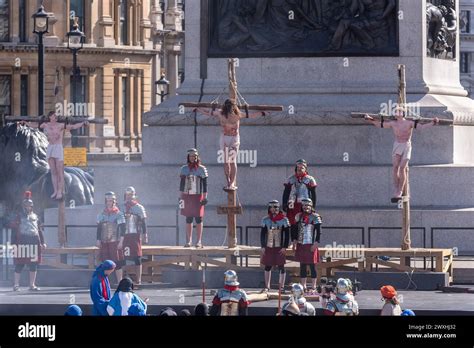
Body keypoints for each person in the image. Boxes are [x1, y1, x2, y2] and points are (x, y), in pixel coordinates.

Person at [364, 107, 439, 200]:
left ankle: (400, 190)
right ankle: (396, 190)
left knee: (403, 167)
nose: (396, 112)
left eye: (398, 111)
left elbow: (421, 127)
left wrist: (432, 123)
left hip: (406, 145)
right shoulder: (393, 123)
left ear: (403, 113)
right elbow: (380, 124)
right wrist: (370, 119)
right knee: (395, 167)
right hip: (397, 145)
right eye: (395, 111)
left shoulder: (409, 123)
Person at [195, 99, 268, 190]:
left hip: (233, 139)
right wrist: (198, 109)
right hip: (226, 138)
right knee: (227, 161)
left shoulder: (235, 114)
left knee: (231, 161)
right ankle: (229, 182)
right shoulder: (224, 113)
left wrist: (263, 113)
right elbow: (209, 113)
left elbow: (251, 115)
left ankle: (231, 183)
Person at [25, 111, 88, 200]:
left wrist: (82, 123)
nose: (56, 117)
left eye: (56, 116)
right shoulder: (45, 125)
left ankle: (60, 191)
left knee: (59, 172)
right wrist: (26, 123)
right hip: (50, 147)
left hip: (58, 148)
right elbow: (35, 126)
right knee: (53, 172)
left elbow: (73, 126)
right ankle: (55, 191)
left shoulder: (61, 125)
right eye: (54, 116)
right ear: (50, 117)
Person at [10, 191, 46, 292]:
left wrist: (43, 242)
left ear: (32, 206)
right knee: (19, 264)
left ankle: (32, 285)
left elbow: (39, 230)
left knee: (33, 264)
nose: (27, 207)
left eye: (29, 205)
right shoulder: (18, 217)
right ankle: (16, 285)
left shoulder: (36, 216)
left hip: (34, 241)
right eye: (26, 205)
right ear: (23, 206)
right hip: (22, 241)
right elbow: (14, 230)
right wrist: (13, 244)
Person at [290, 198, 322, 292]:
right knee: (302, 265)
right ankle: (303, 286)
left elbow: (319, 232)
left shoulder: (316, 217)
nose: (305, 207)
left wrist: (316, 243)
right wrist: (294, 242)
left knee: (312, 266)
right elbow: (294, 230)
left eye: (307, 205)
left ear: (311, 206)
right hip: (301, 244)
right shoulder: (298, 216)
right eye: (304, 205)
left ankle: (313, 286)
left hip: (311, 244)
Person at [179, 149, 209, 248]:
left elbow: (205, 185)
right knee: (188, 218)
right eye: (191, 156)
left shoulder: (201, 169)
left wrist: (205, 197)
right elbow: (182, 184)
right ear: (188, 157)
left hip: (198, 196)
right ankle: (189, 240)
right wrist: (180, 197)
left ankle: (199, 241)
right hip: (187, 196)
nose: (192, 158)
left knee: (199, 218)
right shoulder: (184, 169)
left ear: (197, 157)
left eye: (194, 156)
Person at [260, 200, 290, 293]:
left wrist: (285, 247)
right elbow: (263, 234)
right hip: (268, 246)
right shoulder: (265, 220)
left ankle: (281, 287)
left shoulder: (284, 220)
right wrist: (263, 246)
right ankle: (267, 286)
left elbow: (287, 235)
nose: (274, 209)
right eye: (272, 207)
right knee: (267, 266)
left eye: (276, 207)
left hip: (279, 247)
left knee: (281, 266)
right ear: (269, 209)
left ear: (279, 208)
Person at [120, 187, 148, 285]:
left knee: (137, 257)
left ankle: (138, 280)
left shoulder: (139, 207)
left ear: (134, 195)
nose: (129, 197)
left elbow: (143, 222)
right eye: (127, 195)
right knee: (123, 257)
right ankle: (123, 279)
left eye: (131, 195)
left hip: (135, 235)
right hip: (124, 235)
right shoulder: (120, 207)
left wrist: (145, 234)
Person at [96, 192, 126, 282]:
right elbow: (99, 228)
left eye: (111, 200)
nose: (109, 202)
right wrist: (98, 240)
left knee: (117, 262)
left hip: (115, 241)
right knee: (105, 262)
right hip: (104, 241)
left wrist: (121, 241)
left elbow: (123, 229)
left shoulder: (119, 214)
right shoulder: (101, 214)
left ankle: (120, 281)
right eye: (108, 200)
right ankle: (105, 282)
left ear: (114, 201)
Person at [282, 159, 317, 225]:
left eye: (302, 167)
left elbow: (313, 194)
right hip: (292, 204)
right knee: (292, 223)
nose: (299, 169)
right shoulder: (291, 178)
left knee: (304, 223)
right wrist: (284, 203)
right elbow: (286, 192)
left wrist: (313, 206)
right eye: (298, 167)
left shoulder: (310, 179)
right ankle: (293, 235)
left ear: (305, 169)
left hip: (305, 204)